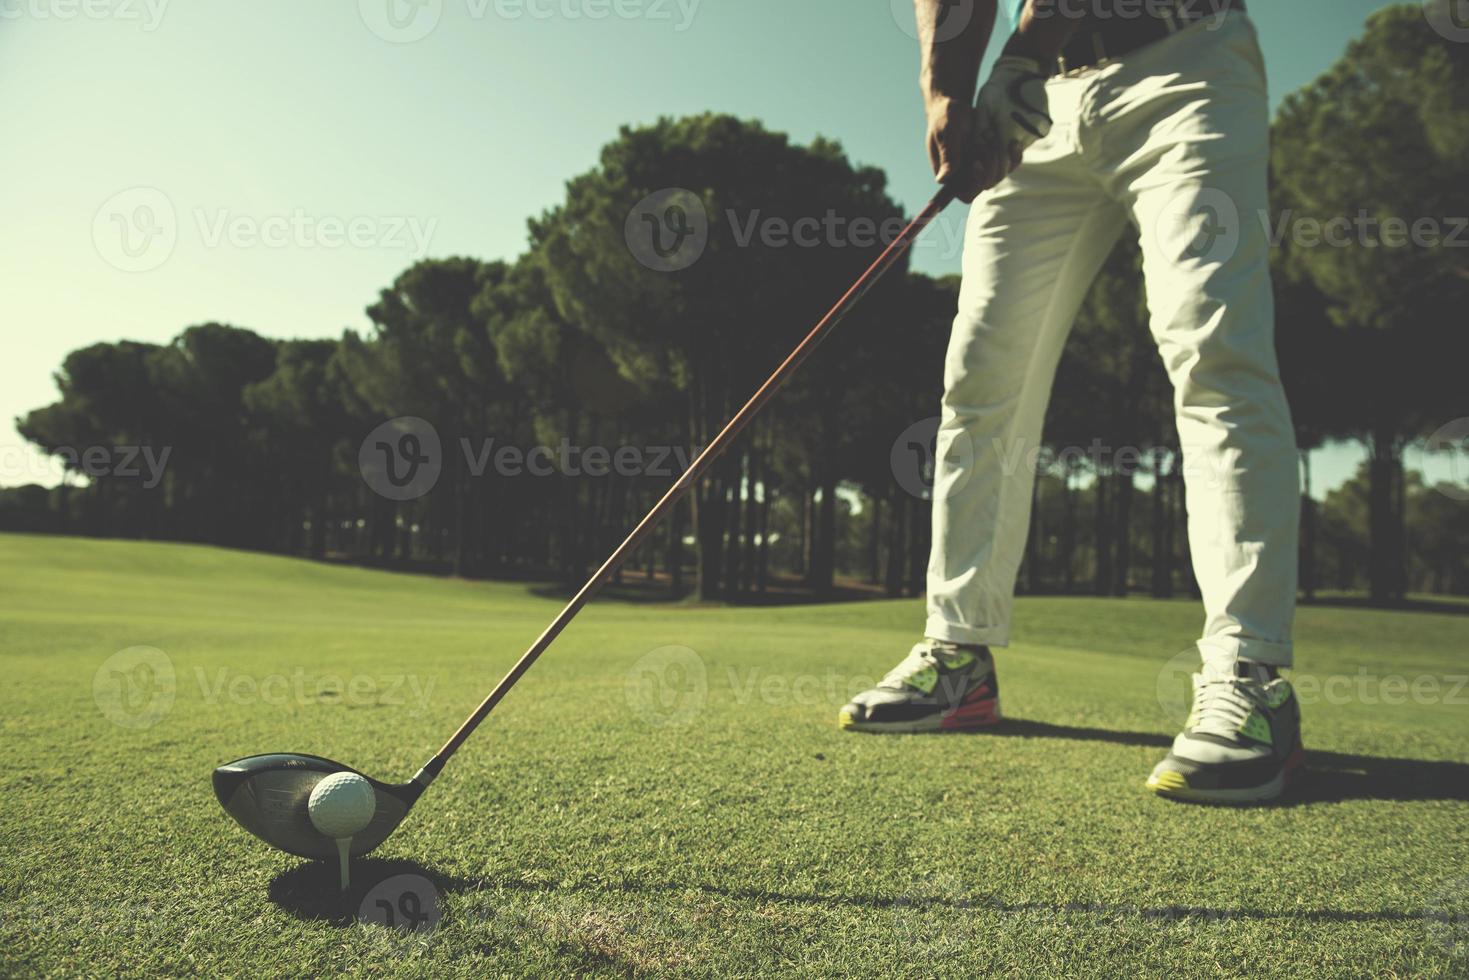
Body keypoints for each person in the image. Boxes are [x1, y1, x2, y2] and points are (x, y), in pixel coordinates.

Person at [839, 0, 1304, 804]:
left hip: (1183, 61)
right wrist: (945, 94)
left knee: (1210, 346)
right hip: (1044, 103)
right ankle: (958, 658)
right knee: (982, 378)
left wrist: (1021, 50)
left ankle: (1248, 671)